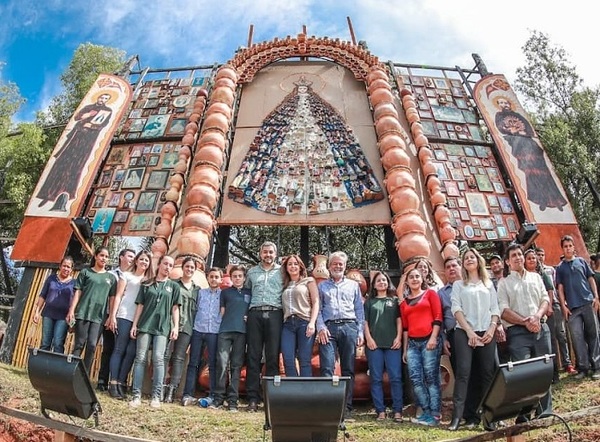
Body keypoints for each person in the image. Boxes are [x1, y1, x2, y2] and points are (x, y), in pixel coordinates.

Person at [497, 243, 552, 422]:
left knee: (545, 370)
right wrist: (524, 321)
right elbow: (503, 310)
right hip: (518, 333)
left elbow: (545, 299)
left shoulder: (536, 277)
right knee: (525, 373)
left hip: (541, 329)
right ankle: (525, 413)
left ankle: (545, 411)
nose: (518, 257)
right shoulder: (504, 283)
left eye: (520, 254)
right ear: (507, 262)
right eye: (513, 255)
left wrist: (536, 317)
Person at [448, 249, 500, 431]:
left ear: (478, 261)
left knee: (488, 373)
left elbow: (495, 308)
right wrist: (469, 332)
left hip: (486, 331)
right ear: (463, 264)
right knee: (463, 373)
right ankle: (457, 417)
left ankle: (488, 417)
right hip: (464, 332)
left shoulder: (488, 284)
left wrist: (492, 328)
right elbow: (456, 309)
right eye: (466, 258)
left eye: (472, 257)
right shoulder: (459, 285)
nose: (469, 260)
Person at [36, 92, 114, 211]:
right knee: (61, 162)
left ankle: (65, 195)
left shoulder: (107, 111)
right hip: (75, 137)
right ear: (98, 97)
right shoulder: (88, 107)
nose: (102, 99)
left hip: (87, 141)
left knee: (76, 166)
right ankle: (47, 194)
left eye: (105, 98)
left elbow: (103, 125)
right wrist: (88, 115)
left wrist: (90, 126)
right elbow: (77, 117)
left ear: (107, 100)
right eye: (101, 97)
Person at [494, 96, 567, 211]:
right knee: (531, 173)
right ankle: (541, 200)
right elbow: (500, 128)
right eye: (501, 103)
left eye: (505, 102)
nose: (504, 105)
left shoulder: (518, 115)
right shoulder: (499, 116)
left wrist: (523, 132)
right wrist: (511, 131)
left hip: (531, 145)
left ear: (509, 103)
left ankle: (556, 200)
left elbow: (529, 129)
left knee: (544, 172)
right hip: (519, 146)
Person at [316, 251, 364, 422]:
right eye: (334, 264)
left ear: (344, 266)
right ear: (329, 267)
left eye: (340, 264)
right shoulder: (322, 286)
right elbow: (318, 309)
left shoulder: (353, 285)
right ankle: (329, 407)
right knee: (327, 367)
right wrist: (320, 327)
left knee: (348, 369)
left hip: (349, 327)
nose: (337, 266)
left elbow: (359, 309)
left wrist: (359, 332)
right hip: (328, 329)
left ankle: (346, 408)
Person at [129, 255, 181, 408]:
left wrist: (176, 326)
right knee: (140, 358)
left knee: (158, 358)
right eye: (165, 263)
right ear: (159, 265)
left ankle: (156, 397)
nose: (167, 267)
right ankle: (136, 395)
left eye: (170, 265)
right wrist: (134, 325)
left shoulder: (174, 287)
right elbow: (140, 306)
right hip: (145, 325)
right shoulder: (146, 284)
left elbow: (175, 308)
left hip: (162, 327)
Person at [106, 250, 153, 399]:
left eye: (147, 261)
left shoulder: (149, 280)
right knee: (119, 349)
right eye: (142, 259)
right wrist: (113, 315)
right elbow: (118, 296)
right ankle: (113, 383)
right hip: (124, 315)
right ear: (137, 260)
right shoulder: (126, 275)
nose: (144, 262)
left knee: (131, 352)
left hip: (139, 320)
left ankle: (121, 381)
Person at [244, 241, 284, 412]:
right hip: (255, 314)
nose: (268, 255)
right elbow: (246, 293)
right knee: (253, 356)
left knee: (272, 356)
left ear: (275, 254)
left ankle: (271, 397)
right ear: (260, 254)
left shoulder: (282, 271)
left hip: (275, 314)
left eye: (271, 252)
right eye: (265, 252)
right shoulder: (252, 272)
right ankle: (253, 398)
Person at [400, 267, 442, 427]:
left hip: (429, 341)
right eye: (411, 277)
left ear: (422, 279)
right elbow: (405, 328)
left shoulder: (430, 294)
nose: (415, 279)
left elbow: (438, 317)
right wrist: (404, 350)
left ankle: (435, 415)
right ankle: (425, 412)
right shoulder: (404, 304)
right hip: (412, 344)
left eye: (417, 276)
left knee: (431, 379)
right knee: (416, 380)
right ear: (407, 281)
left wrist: (433, 337)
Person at [555, 235, 600, 380]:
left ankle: (596, 367)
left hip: (588, 302)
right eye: (565, 246)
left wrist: (596, 297)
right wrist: (563, 306)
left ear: (574, 247)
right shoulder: (560, 268)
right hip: (573, 308)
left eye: (570, 245)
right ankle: (583, 367)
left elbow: (590, 278)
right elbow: (560, 288)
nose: (568, 248)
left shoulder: (582, 262)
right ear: (562, 249)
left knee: (593, 335)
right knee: (577, 338)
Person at [67, 246, 117, 372]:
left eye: (106, 256)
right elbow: (78, 292)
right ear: (95, 256)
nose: (104, 258)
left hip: (99, 317)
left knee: (92, 345)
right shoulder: (85, 272)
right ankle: (70, 372)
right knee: (79, 344)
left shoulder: (110, 278)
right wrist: (72, 310)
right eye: (102, 255)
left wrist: (111, 316)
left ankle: (84, 376)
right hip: (83, 312)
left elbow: (112, 298)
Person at [364, 271, 403, 422]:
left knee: (395, 378)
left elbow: (399, 321)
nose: (381, 283)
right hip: (374, 345)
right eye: (378, 281)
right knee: (376, 378)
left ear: (388, 283)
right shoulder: (369, 302)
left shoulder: (394, 301)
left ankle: (398, 411)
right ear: (374, 284)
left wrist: (398, 338)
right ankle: (380, 411)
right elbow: (365, 322)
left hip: (393, 344)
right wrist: (369, 339)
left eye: (384, 280)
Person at [181, 267, 223, 406]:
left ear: (221, 279)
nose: (213, 279)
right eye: (211, 276)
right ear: (207, 278)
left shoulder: (223, 295)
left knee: (212, 363)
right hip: (198, 330)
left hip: (214, 332)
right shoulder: (200, 293)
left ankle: (211, 394)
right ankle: (188, 394)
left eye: (216, 277)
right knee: (193, 362)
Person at [213, 265, 251, 412]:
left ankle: (233, 401)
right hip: (225, 331)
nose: (237, 278)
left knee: (236, 366)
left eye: (240, 276)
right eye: (234, 276)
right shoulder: (225, 293)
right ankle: (218, 398)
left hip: (241, 332)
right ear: (231, 277)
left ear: (244, 278)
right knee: (222, 363)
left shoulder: (250, 293)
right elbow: (222, 312)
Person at [97, 248, 135, 392]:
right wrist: (110, 315)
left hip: (125, 317)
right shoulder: (111, 275)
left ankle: (120, 381)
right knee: (108, 348)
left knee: (123, 350)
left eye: (133, 257)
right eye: (129, 256)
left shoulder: (133, 276)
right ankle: (102, 379)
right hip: (110, 315)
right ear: (121, 257)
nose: (132, 259)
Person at [163, 257, 200, 403]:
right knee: (165, 355)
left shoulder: (197, 290)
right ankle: (161, 387)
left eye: (192, 267)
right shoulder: (173, 284)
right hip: (170, 325)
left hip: (187, 327)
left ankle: (172, 389)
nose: (189, 269)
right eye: (187, 266)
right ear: (182, 268)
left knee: (179, 358)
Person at [536, 247, 576, 375]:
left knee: (561, 334)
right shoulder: (533, 273)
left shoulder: (551, 270)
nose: (540, 257)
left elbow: (557, 287)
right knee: (549, 338)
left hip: (556, 304)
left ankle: (567, 363)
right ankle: (553, 368)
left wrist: (561, 302)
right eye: (538, 255)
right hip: (541, 307)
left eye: (542, 254)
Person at [280, 254, 319, 377]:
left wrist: (312, 323)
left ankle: (306, 393)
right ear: (286, 268)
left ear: (300, 266)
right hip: (287, 324)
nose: (293, 266)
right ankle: (294, 391)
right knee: (288, 358)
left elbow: (316, 302)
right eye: (290, 264)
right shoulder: (284, 285)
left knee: (304, 359)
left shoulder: (309, 281)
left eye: (295, 264)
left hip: (304, 322)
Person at [32, 256, 75, 354]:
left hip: (63, 318)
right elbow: (42, 295)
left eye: (68, 267)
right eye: (64, 266)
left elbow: (75, 303)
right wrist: (37, 312)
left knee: (58, 343)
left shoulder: (74, 283)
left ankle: (55, 368)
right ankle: (42, 367)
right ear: (60, 266)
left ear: (72, 269)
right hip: (48, 314)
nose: (66, 268)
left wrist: (72, 322)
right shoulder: (51, 279)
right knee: (45, 342)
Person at [437, 257, 461, 374]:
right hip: (454, 335)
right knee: (460, 371)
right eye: (448, 267)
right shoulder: (441, 293)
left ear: (461, 267)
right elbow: (439, 318)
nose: (451, 269)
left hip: (476, 330)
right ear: (444, 272)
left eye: (454, 265)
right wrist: (444, 339)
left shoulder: (471, 286)